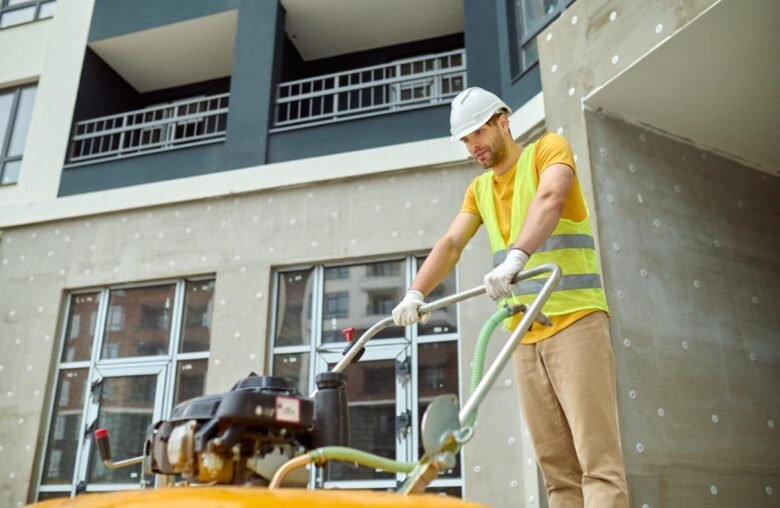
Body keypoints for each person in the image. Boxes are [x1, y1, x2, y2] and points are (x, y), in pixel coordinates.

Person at [391, 87, 629, 507]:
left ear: (503, 120)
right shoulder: (479, 190)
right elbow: (451, 243)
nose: (473, 147)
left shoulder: (547, 151)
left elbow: (551, 198)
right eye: (464, 140)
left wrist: (516, 258)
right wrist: (415, 292)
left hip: (576, 323)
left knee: (598, 464)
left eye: (478, 133)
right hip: (524, 336)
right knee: (557, 474)